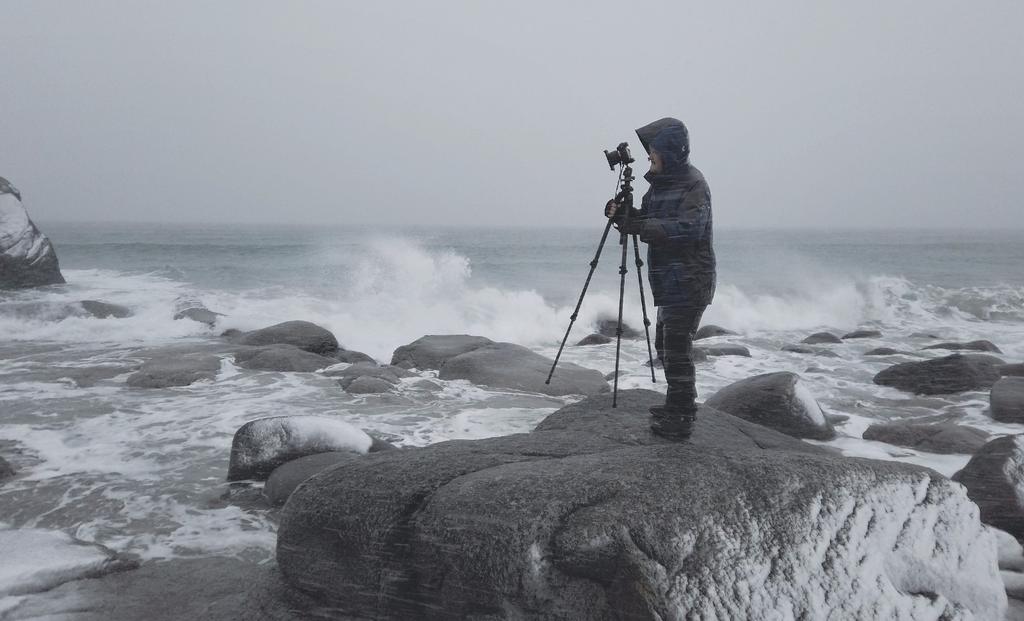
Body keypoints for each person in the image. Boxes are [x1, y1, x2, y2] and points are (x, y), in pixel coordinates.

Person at [605, 117, 716, 440]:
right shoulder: (659, 184)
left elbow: (687, 230)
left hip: (691, 279)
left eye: (654, 150)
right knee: (664, 344)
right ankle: (675, 405)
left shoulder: (695, 184)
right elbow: (648, 222)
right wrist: (623, 216)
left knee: (677, 347)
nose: (649, 155)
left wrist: (640, 226)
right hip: (669, 280)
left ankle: (682, 417)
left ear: (671, 152)